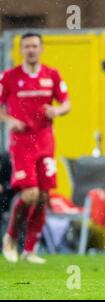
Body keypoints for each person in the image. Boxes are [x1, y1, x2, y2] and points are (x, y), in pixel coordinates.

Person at [0, 33, 70, 264]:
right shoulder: (9, 77)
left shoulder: (52, 75)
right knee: (29, 194)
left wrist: (57, 111)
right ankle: (10, 237)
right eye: (27, 46)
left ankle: (30, 249)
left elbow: (66, 103)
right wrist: (10, 120)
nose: (31, 50)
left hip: (45, 143)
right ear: (21, 50)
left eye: (34, 46)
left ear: (41, 48)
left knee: (42, 196)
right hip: (21, 144)